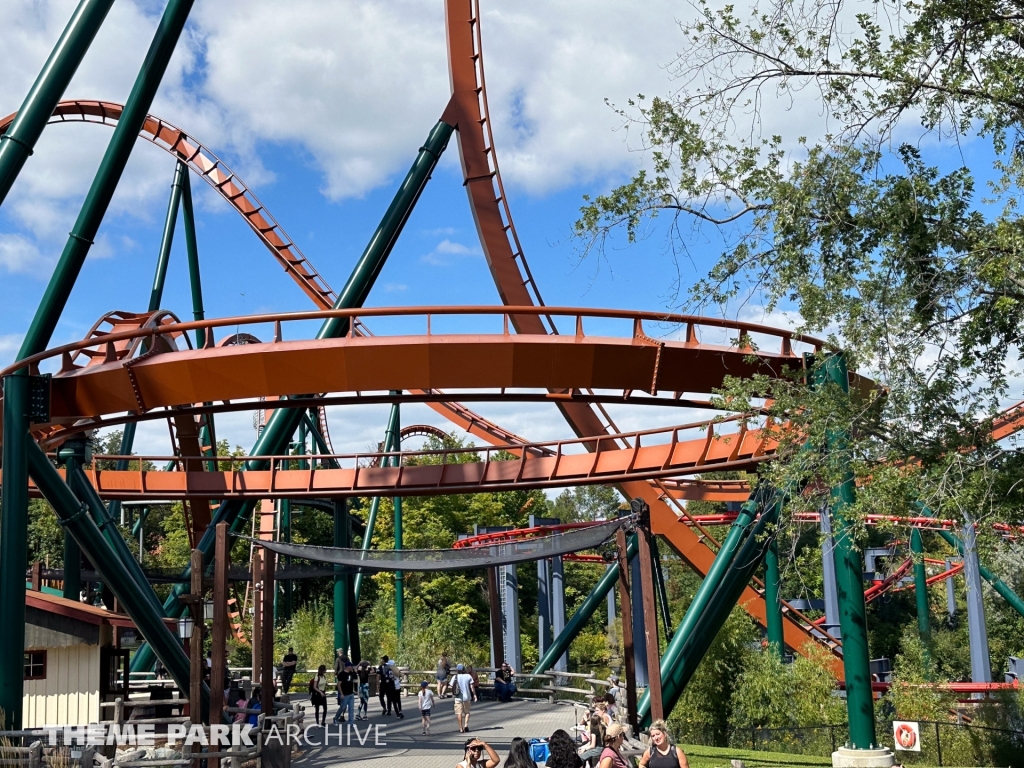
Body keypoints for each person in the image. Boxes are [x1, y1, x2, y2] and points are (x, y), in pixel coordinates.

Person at [450, 664, 475, 733]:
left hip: (458, 697)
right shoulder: (468, 676)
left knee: (459, 713)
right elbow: (472, 687)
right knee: (467, 712)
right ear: (464, 669)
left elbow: (451, 686)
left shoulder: (455, 677)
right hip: (467, 697)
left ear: (457, 670)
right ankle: (466, 725)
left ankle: (461, 728)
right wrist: (474, 695)